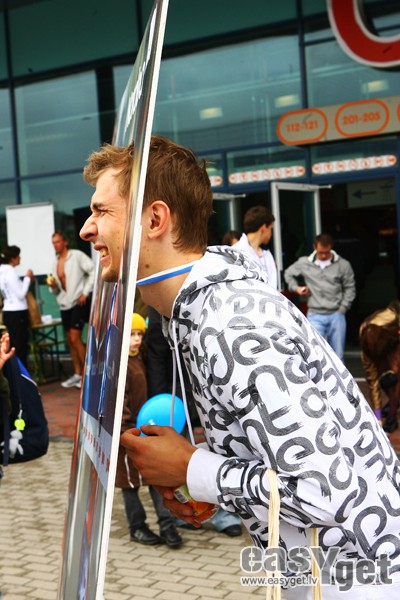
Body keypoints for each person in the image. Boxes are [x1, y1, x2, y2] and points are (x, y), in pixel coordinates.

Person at [80, 136, 400, 598]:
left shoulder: (230, 323)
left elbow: (322, 491)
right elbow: (279, 456)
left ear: (155, 220)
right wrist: (203, 482)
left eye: (102, 211)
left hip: (357, 581)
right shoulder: (200, 311)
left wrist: (194, 467)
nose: (87, 228)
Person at [146, 306, 242, 538]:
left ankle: (226, 515)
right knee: (182, 459)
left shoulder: (214, 305)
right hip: (178, 397)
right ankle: (190, 509)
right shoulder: (159, 310)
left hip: (217, 395)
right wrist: (163, 401)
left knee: (224, 452)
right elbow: (156, 357)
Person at [116, 312, 182, 548]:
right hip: (128, 436)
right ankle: (137, 527)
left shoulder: (140, 359)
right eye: (131, 334)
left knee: (156, 478)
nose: (136, 339)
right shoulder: (120, 366)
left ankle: (167, 525)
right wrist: (128, 432)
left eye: (139, 334)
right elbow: (119, 406)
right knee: (130, 484)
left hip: (147, 432)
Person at [284, 232, 356, 362]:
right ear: (314, 247)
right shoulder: (304, 262)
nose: (323, 255)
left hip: (336, 314)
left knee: (338, 356)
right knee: (315, 353)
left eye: (326, 252)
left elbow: (350, 287)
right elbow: (288, 274)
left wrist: (343, 308)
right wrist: (297, 288)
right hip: (315, 315)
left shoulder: (343, 264)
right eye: (321, 252)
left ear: (331, 247)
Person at [48, 231, 95, 389]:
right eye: (53, 243)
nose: (55, 245)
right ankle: (77, 374)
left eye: (57, 242)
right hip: (65, 304)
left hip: (78, 302)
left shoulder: (76, 255)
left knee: (75, 338)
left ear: (65, 242)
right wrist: (52, 286)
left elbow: (93, 270)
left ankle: (88, 374)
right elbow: (56, 291)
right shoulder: (55, 263)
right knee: (70, 340)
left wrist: (85, 292)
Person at [359, 300, 400, 433]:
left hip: (395, 334)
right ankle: (393, 404)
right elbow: (373, 383)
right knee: (387, 378)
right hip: (386, 341)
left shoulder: (391, 318)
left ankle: (393, 413)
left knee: (395, 374)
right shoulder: (367, 349)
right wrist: (377, 417)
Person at [0, 246, 34, 367]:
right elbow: (20, 294)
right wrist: (27, 278)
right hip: (17, 312)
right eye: (18, 256)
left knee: (13, 346)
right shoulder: (10, 271)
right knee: (20, 347)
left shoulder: (1, 270)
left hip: (8, 311)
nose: (20, 258)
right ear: (12, 258)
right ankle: (21, 374)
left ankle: (15, 373)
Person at [232, 205, 278, 289]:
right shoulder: (235, 252)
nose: (271, 233)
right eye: (270, 228)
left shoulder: (267, 255)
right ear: (263, 228)